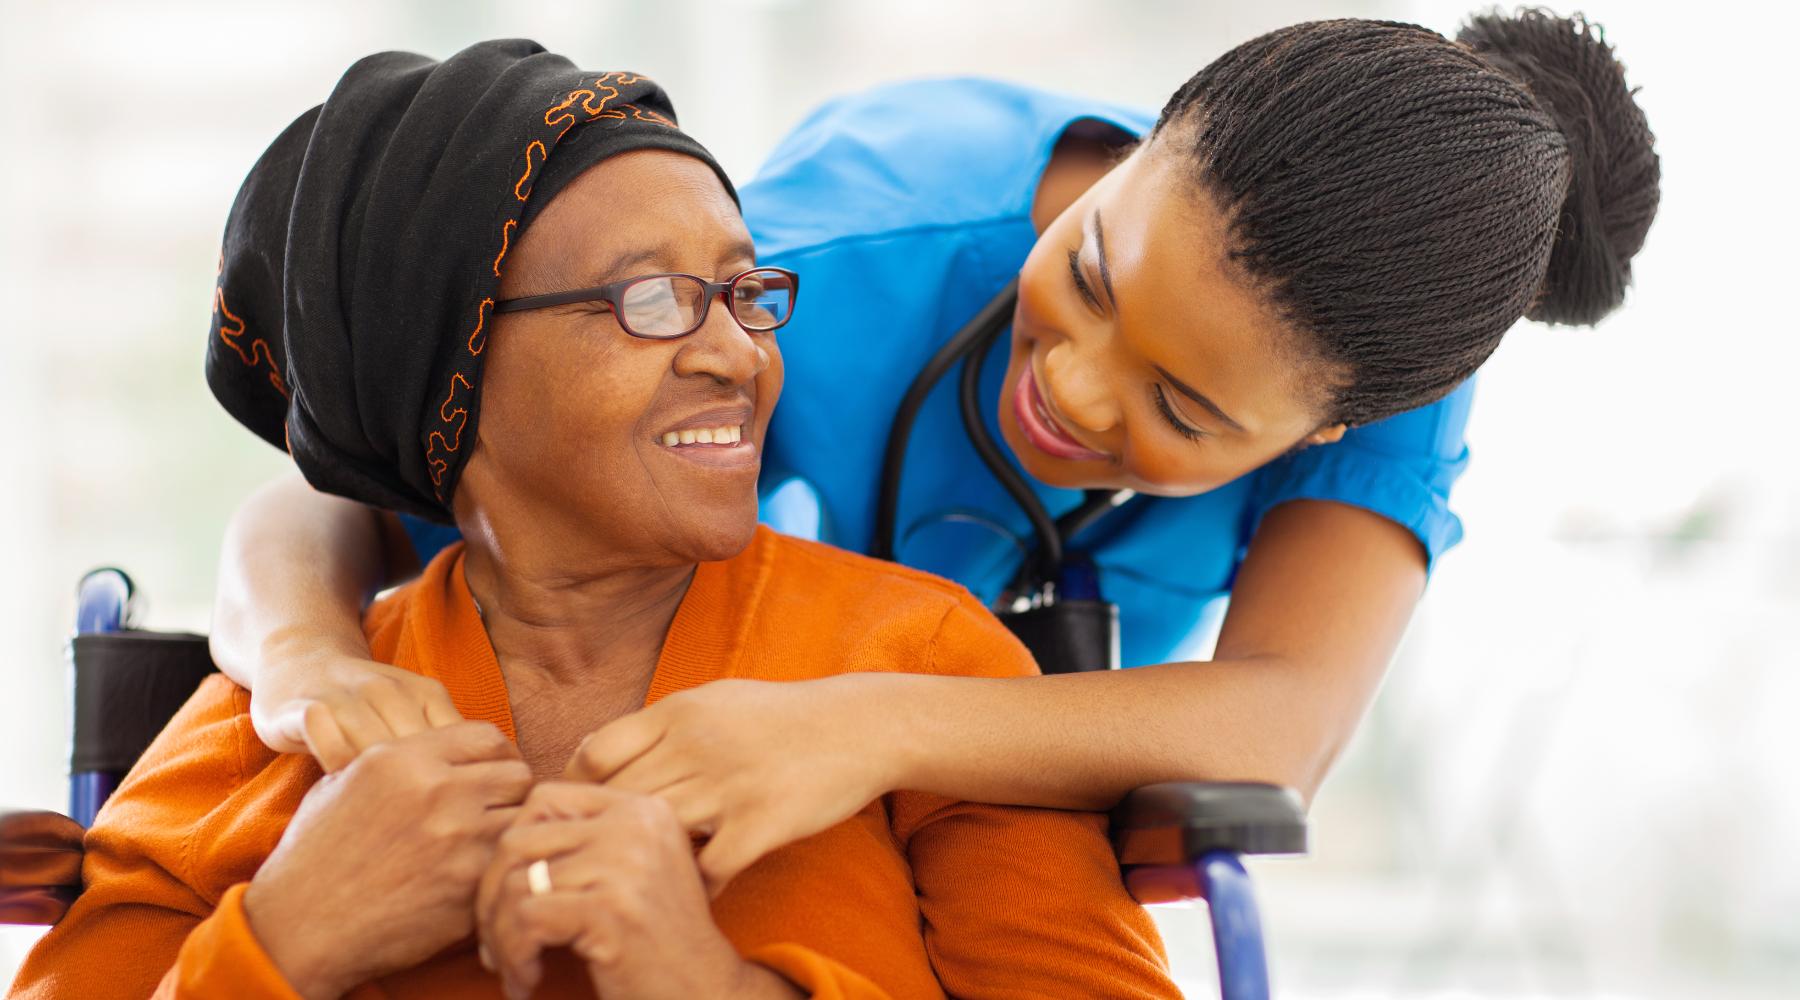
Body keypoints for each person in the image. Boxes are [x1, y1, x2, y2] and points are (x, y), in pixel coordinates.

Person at [209, 11, 1662, 893]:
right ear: (1145, 147)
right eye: (1089, 273)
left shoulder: (1379, 366)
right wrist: (306, 660)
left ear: (1328, 428)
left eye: (1187, 412)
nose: (1078, 395)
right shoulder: (836, 257)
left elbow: (1281, 727)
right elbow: (323, 498)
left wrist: (864, 723)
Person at [9, 42, 1178, 1000]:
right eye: (652, 299)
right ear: (453, 371)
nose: (740, 351)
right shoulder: (280, 721)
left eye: (744, 289)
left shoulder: (924, 664)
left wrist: (703, 981)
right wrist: (287, 935)